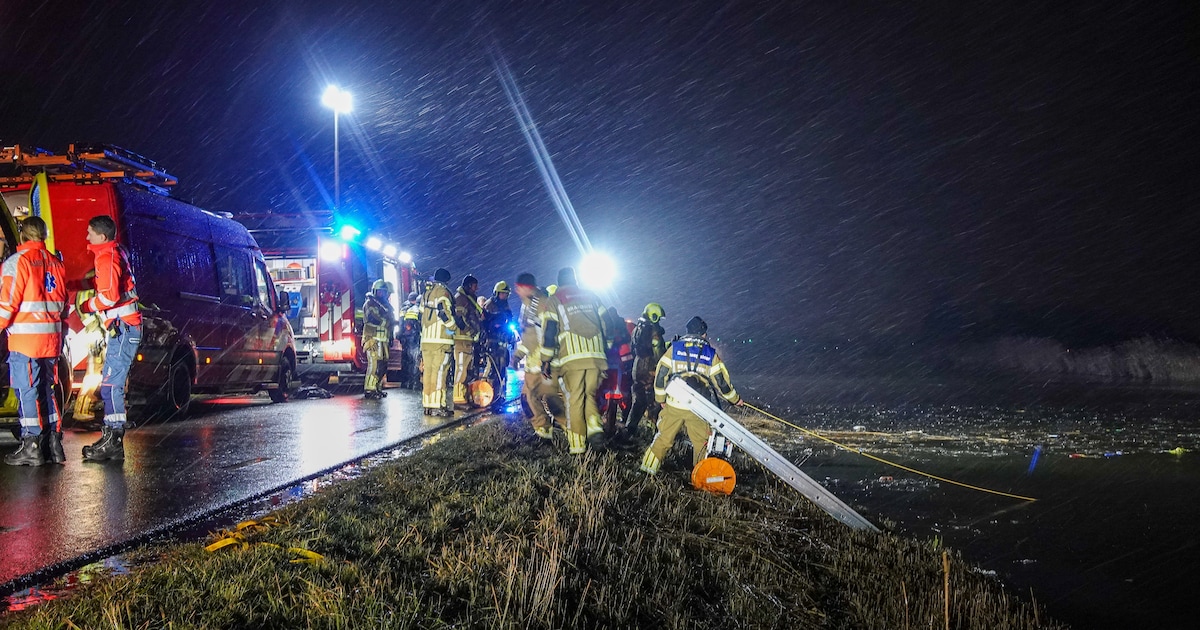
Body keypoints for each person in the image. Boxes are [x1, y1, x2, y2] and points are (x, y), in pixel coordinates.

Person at [1, 217, 68, 466]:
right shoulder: (56, 263)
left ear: (22, 235)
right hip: (51, 339)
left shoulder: (17, 263)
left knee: (26, 391)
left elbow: (7, 304)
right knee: (47, 390)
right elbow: (64, 304)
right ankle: (53, 443)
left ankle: (31, 445)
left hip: (25, 340)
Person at [640, 316, 741, 475]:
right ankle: (700, 478)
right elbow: (722, 382)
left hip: (674, 403)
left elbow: (661, 375)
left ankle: (646, 471)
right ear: (703, 334)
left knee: (663, 438)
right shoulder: (710, 354)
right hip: (699, 408)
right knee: (701, 443)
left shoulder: (674, 349)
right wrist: (735, 400)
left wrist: (661, 399)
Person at [78, 215, 143, 462]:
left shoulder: (106, 257)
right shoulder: (116, 252)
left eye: (90, 233)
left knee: (111, 386)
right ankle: (111, 438)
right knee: (111, 385)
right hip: (125, 327)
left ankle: (113, 441)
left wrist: (86, 305)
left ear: (102, 236)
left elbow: (108, 298)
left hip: (123, 328)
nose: (87, 237)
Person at [539, 267, 609, 454]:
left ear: (560, 282)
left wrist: (546, 359)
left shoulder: (555, 300)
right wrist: (606, 346)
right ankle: (595, 429)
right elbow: (607, 322)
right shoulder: (591, 295)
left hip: (572, 357)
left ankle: (578, 447)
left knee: (574, 400)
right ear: (575, 279)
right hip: (597, 356)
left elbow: (550, 332)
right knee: (589, 395)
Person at [513, 273, 563, 439]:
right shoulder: (527, 305)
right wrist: (519, 355)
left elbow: (540, 336)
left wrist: (543, 360)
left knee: (548, 399)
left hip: (542, 363)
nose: (516, 291)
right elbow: (528, 335)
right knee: (531, 398)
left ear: (527, 288)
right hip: (535, 363)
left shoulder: (540, 304)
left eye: (519, 288)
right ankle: (544, 431)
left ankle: (569, 430)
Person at [625, 302, 667, 437]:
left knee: (639, 401)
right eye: (658, 318)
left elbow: (633, 348)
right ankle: (654, 433)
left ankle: (629, 429)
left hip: (637, 369)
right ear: (654, 316)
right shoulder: (654, 331)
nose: (659, 321)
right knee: (653, 403)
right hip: (650, 371)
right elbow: (659, 353)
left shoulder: (638, 329)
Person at [420, 268, 457, 416]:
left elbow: (421, 313)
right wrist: (453, 326)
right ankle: (438, 406)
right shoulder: (443, 292)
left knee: (428, 372)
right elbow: (443, 311)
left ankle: (428, 405)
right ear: (447, 280)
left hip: (426, 340)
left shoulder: (426, 293)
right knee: (440, 372)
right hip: (440, 341)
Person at [477, 281, 514, 404]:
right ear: (497, 293)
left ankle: (499, 394)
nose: (505, 296)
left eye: (506, 294)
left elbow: (509, 321)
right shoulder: (489, 305)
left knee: (502, 369)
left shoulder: (506, 305)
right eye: (503, 293)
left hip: (502, 342)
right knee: (492, 369)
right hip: (492, 341)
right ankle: (486, 394)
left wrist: (510, 336)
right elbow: (483, 323)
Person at [361, 279, 395, 399]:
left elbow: (389, 322)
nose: (383, 294)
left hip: (383, 339)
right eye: (380, 291)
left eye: (384, 292)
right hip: (373, 339)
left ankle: (377, 387)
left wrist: (390, 336)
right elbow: (375, 319)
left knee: (382, 365)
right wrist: (388, 321)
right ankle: (370, 389)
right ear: (375, 291)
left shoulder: (385, 305)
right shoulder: (370, 304)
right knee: (374, 364)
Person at [452, 274, 482, 407]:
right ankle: (458, 398)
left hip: (467, 340)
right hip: (461, 339)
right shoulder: (460, 299)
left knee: (466, 369)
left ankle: (464, 396)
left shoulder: (468, 299)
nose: (477, 289)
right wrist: (470, 331)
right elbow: (459, 319)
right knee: (461, 369)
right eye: (475, 286)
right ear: (469, 286)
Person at [400, 291, 422, 389]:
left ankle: (406, 382)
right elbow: (421, 325)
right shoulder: (419, 310)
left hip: (407, 338)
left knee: (408, 361)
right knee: (415, 360)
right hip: (415, 338)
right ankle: (415, 383)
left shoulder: (407, 309)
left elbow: (402, 323)